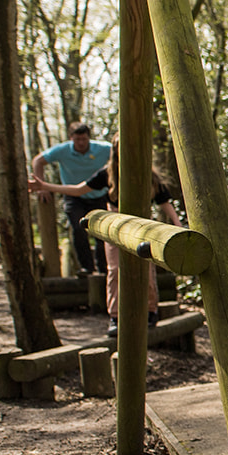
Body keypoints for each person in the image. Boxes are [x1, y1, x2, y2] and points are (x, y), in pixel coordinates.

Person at [29, 137, 182, 338]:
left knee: (146, 267)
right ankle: (115, 316)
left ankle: (150, 311)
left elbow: (164, 202)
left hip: (143, 226)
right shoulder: (108, 174)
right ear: (116, 151)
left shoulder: (148, 174)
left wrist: (178, 225)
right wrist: (46, 187)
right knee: (115, 270)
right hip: (117, 226)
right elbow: (79, 189)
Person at [31, 122, 111, 275]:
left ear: (89, 138)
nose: (80, 143)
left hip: (99, 195)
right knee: (78, 228)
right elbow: (38, 161)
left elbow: (121, 156)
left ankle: (104, 268)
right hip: (73, 196)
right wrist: (41, 187)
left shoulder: (104, 149)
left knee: (102, 234)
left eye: (84, 139)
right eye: (77, 139)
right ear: (71, 138)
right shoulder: (62, 150)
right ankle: (86, 267)